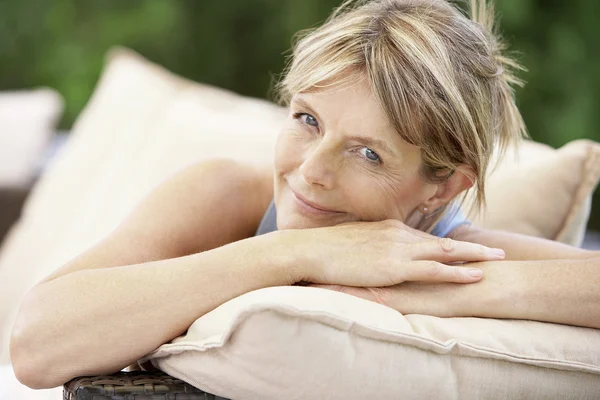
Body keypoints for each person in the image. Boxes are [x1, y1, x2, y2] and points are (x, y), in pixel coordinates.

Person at [10, 0, 600, 390]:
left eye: (368, 153)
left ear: (443, 185)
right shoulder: (224, 194)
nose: (310, 172)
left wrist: (428, 292)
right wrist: (287, 256)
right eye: (308, 119)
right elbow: (35, 345)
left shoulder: (453, 252)